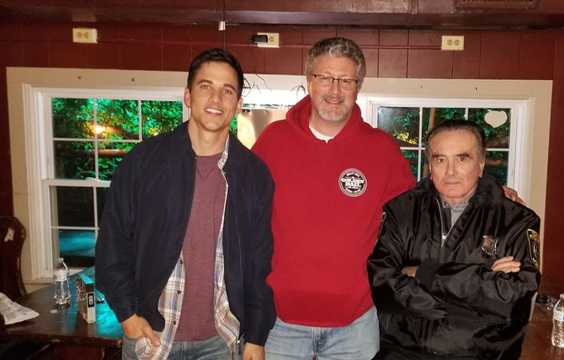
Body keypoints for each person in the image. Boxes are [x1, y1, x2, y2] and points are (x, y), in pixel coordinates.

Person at [96, 48, 275, 360]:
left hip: (221, 341)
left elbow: (260, 264)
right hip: (150, 338)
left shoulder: (254, 175)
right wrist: (127, 315)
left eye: (227, 90)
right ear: (188, 96)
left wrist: (257, 337)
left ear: (238, 104)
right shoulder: (143, 162)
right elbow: (112, 245)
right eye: (206, 87)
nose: (216, 99)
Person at [251, 37, 416, 359]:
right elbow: (239, 207)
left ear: (358, 86)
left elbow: (418, 215)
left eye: (346, 80)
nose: (335, 90)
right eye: (325, 78)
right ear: (309, 81)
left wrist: (487, 197)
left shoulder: (382, 150)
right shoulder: (273, 141)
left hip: (355, 322)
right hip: (280, 320)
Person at [368, 120, 541, 360]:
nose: (450, 172)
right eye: (440, 159)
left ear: (480, 164)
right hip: (403, 353)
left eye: (462, 158)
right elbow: (381, 281)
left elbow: (513, 295)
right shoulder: (401, 212)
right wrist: (476, 285)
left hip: (483, 354)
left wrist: (422, 273)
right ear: (430, 165)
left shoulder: (517, 220)